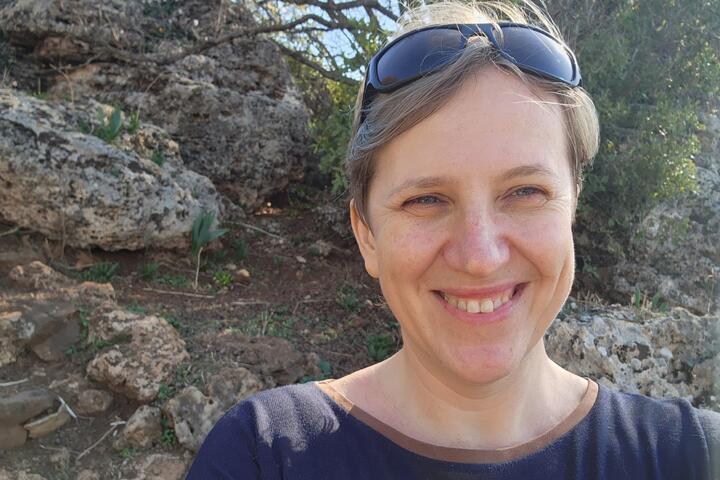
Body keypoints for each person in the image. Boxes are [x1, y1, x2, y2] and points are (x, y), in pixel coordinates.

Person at [187, 1, 720, 478]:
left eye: (525, 192)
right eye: (426, 200)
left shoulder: (693, 456)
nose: (480, 257)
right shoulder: (262, 457)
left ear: (572, 209)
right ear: (366, 234)